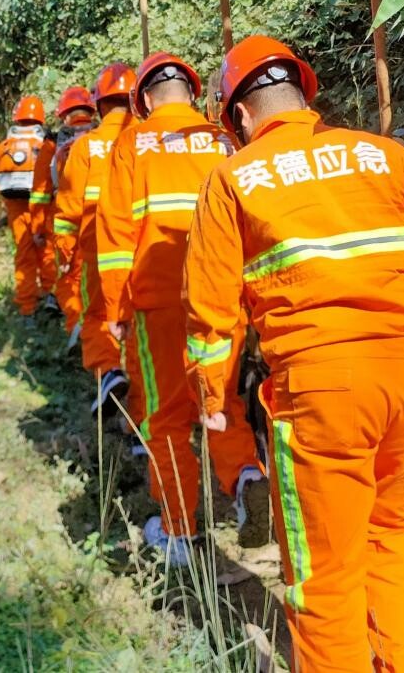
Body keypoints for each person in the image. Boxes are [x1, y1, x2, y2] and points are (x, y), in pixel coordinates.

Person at [182, 35, 404, 671]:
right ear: (304, 95)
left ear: (237, 117)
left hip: (325, 391)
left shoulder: (232, 180)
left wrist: (211, 401)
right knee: (387, 533)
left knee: (322, 574)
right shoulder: (378, 152)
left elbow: (210, 314)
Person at [97, 52, 267, 566]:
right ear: (192, 92)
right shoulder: (222, 139)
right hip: (223, 297)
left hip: (161, 299)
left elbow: (114, 235)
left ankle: (179, 533)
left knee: (166, 418)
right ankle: (245, 478)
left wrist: (113, 309)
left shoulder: (134, 143)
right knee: (220, 404)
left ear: (145, 99)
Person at [53, 63, 137, 414]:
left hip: (98, 250)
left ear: (99, 105)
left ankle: (108, 372)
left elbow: (69, 209)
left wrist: (66, 252)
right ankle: (141, 411)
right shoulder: (148, 142)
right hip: (142, 249)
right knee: (140, 327)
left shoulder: (86, 147)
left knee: (97, 315)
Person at [30, 86, 97, 330]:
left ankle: (76, 327)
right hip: (103, 220)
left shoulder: (53, 145)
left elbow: (40, 192)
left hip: (66, 218)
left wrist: (37, 227)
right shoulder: (102, 138)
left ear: (63, 114)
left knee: (68, 275)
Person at [0, 96, 52, 317]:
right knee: (46, 251)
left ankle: (27, 305)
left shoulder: (5, 144)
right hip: (43, 206)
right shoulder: (44, 143)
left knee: (24, 254)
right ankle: (51, 296)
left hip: (15, 206)